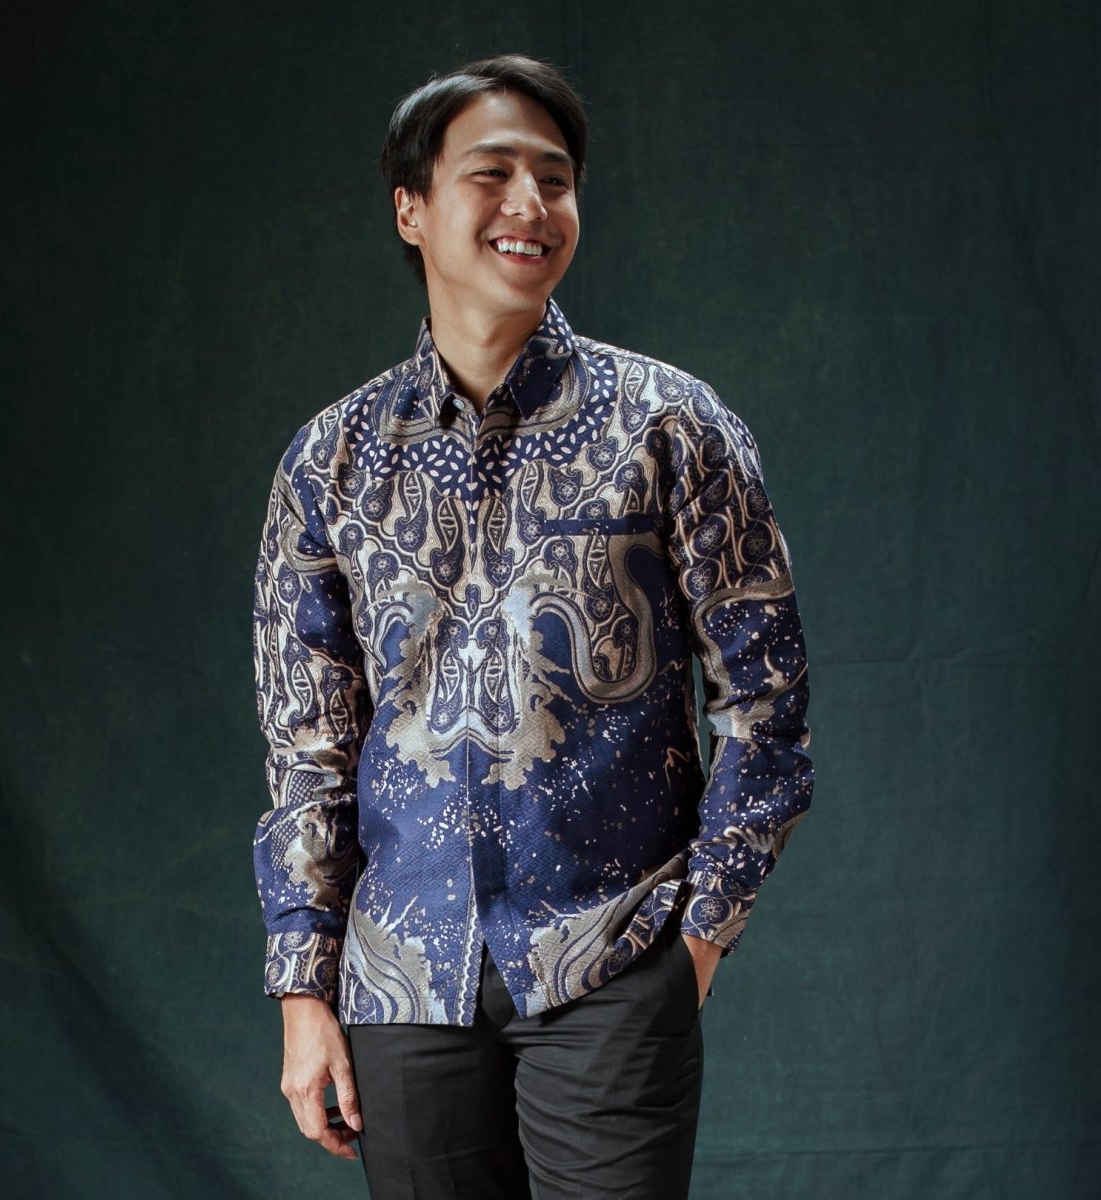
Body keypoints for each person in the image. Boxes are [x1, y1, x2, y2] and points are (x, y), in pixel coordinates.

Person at [252, 53, 813, 1200]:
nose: (531, 205)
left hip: (612, 957)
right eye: (492, 173)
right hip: (404, 981)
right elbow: (308, 747)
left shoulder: (673, 425)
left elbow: (767, 709)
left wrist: (694, 946)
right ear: (411, 209)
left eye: (555, 180)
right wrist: (305, 992)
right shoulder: (331, 460)